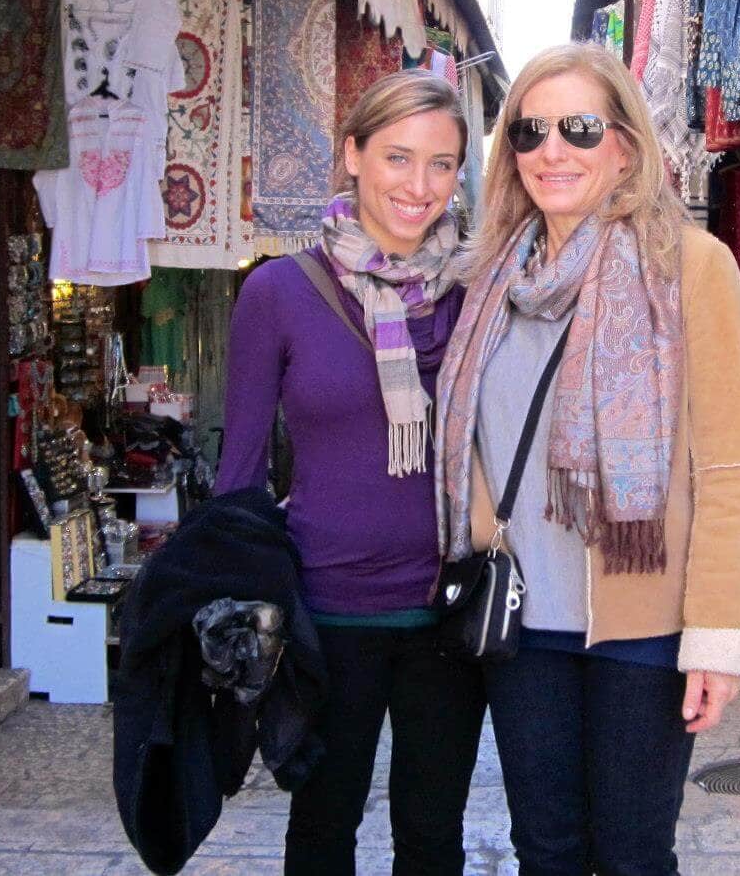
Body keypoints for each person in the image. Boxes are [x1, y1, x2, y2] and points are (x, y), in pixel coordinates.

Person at [436, 43, 740, 876]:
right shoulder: (489, 277)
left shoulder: (691, 265)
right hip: (524, 627)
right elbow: (471, 444)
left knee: (634, 852)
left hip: (646, 628)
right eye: (529, 131)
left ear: (625, 144)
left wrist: (713, 638)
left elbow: (733, 468)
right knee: (547, 850)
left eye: (580, 127)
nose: (551, 149)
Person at [215, 69, 484, 876]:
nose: (420, 185)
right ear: (353, 154)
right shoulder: (278, 292)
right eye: (398, 157)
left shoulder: (477, 290)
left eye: (442, 164)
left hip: (449, 611)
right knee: (323, 831)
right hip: (328, 617)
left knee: (434, 839)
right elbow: (238, 476)